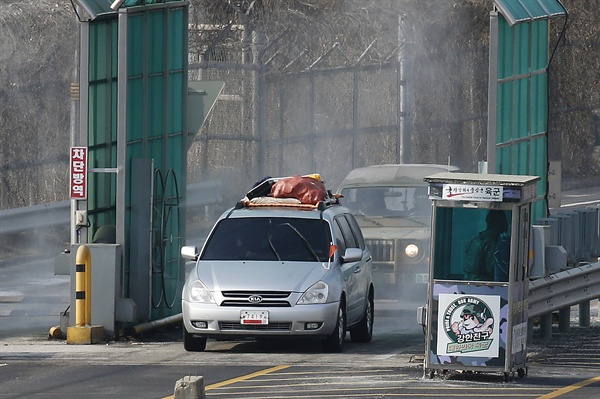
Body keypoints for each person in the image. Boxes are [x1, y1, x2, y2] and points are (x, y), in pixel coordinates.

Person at [464, 210, 508, 281]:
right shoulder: (491, 241)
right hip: (482, 283)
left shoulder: (479, 238)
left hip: (470, 280)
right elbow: (491, 268)